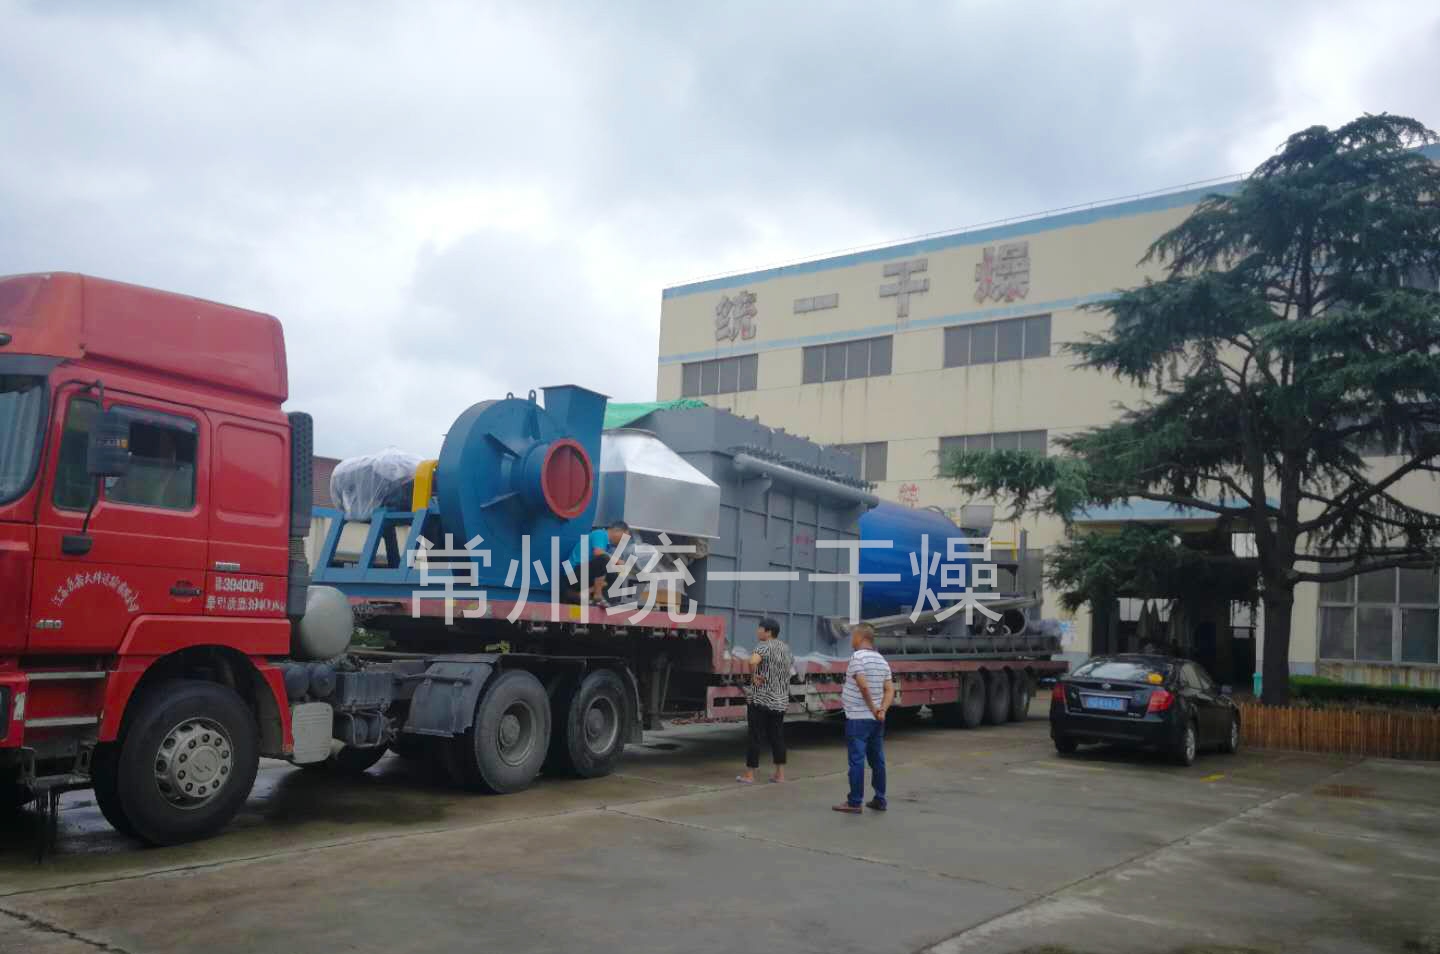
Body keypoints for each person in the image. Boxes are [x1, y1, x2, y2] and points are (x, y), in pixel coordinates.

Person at [833, 622, 893, 814]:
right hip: (877, 720)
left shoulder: (857, 657)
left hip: (858, 718)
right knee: (877, 760)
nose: (851, 640)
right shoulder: (882, 660)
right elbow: (889, 689)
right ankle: (880, 799)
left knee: (857, 761)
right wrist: (882, 710)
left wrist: (873, 708)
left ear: (860, 637)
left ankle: (854, 802)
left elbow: (863, 685)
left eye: (853, 636)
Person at [737, 618, 793, 785]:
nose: (757, 631)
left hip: (761, 700)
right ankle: (780, 775)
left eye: (760, 629)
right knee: (777, 737)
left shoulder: (763, 646)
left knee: (755, 736)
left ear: (768, 632)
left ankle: (750, 775)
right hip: (780, 701)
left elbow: (752, 661)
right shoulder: (785, 648)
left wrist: (754, 676)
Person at [569, 520, 630, 604]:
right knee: (603, 559)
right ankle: (597, 595)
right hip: (573, 575)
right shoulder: (600, 534)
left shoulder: (607, 545)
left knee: (615, 576)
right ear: (617, 531)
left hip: (585, 574)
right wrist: (618, 561)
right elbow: (598, 552)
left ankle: (602, 601)